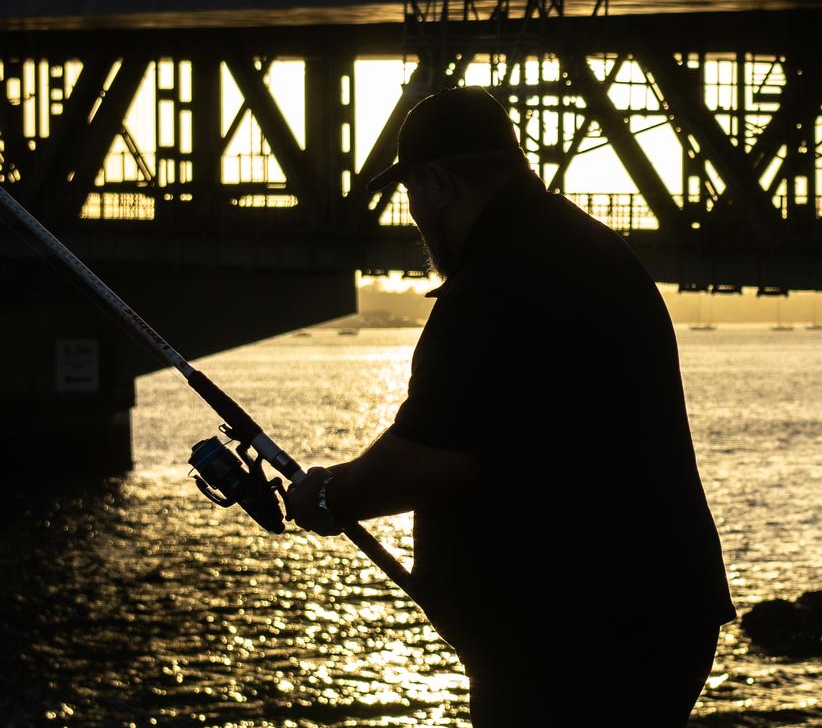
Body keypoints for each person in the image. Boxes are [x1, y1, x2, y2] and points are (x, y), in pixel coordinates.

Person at [288, 86, 735, 727]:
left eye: (411, 191)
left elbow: (436, 454)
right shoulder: (575, 246)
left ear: (439, 183)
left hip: (575, 640)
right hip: (641, 617)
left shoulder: (500, 283)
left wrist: (331, 497)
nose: (411, 212)